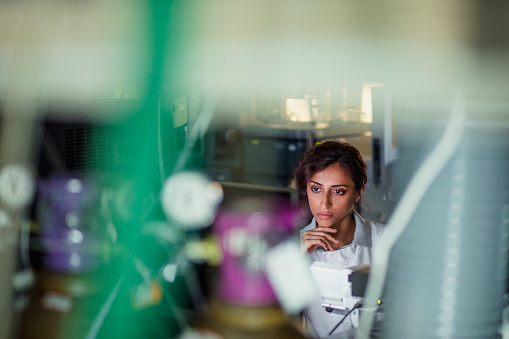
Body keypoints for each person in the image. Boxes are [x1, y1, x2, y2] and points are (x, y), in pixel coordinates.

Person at [294, 140, 385, 338]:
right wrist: (295, 261)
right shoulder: (291, 248)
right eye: (316, 189)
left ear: (358, 193)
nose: (324, 203)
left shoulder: (387, 242)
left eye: (338, 191)